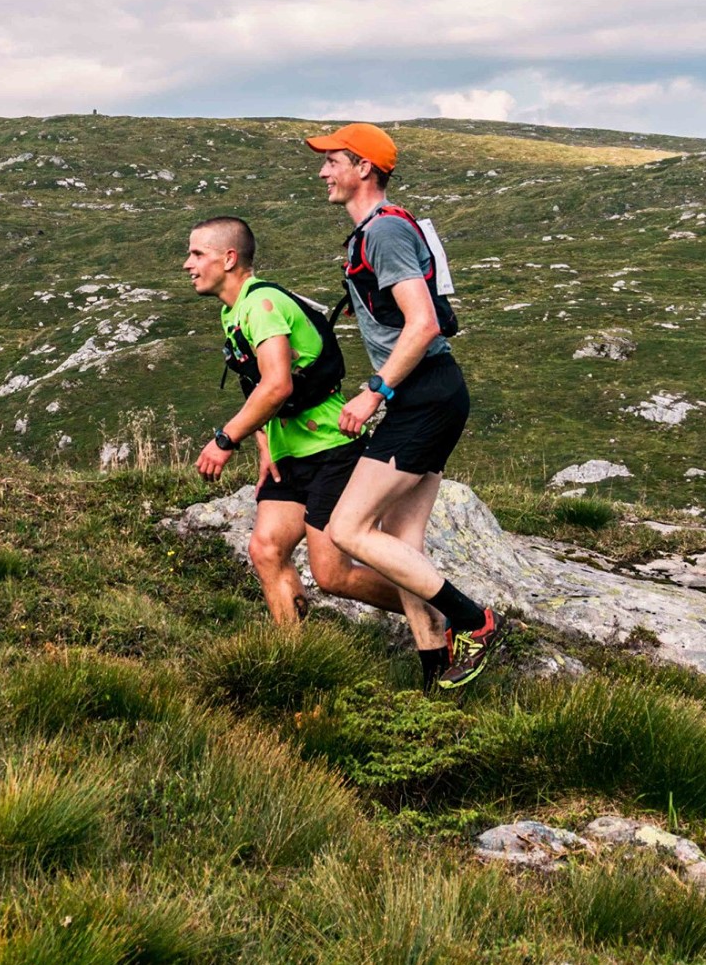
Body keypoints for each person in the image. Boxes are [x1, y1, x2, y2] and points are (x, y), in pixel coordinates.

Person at [306, 123, 506, 689]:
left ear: (363, 167)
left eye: (333, 161)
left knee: (348, 529)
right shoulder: (377, 232)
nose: (324, 172)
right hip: (431, 392)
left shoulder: (386, 233)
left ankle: (476, 621)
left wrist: (376, 390)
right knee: (397, 546)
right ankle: (435, 672)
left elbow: (423, 323)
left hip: (421, 395)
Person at [184, 216, 408, 633]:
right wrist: (265, 446)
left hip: (330, 449)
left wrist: (225, 439)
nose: (188, 264)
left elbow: (277, 385)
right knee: (267, 549)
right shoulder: (233, 312)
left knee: (332, 574)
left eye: (197, 253)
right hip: (289, 453)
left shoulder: (261, 306)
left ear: (229, 258)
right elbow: (255, 385)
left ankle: (438, 609)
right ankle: (295, 656)